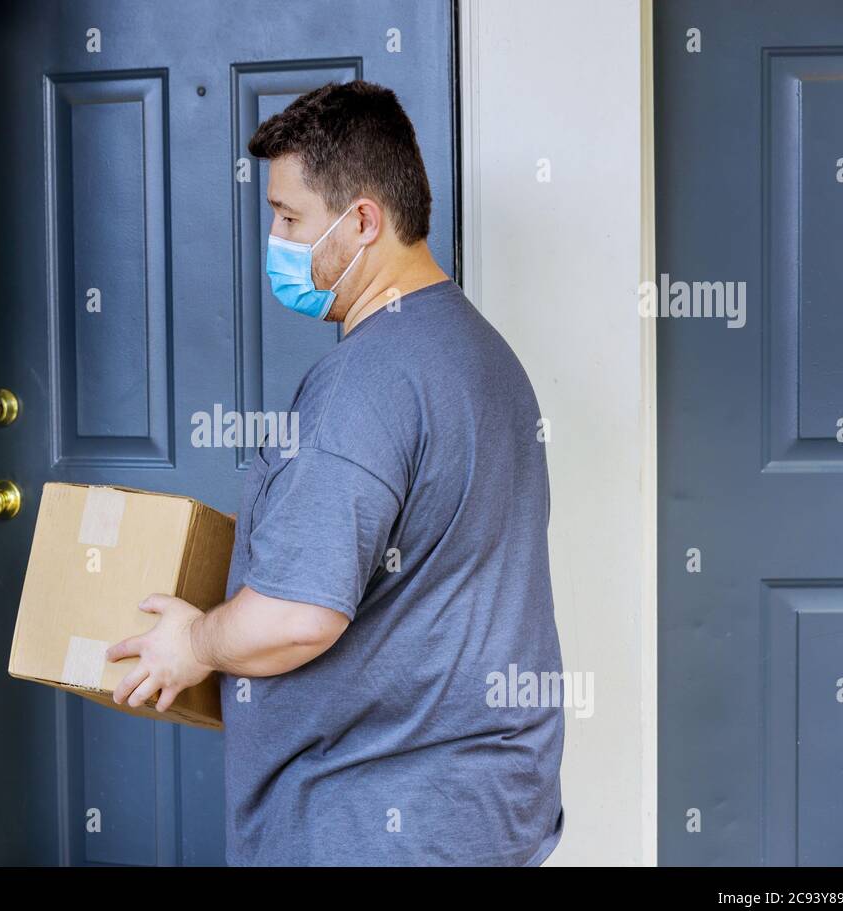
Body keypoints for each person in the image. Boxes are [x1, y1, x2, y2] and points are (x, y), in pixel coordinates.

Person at [106, 80, 565, 866]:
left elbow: (297, 616)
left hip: (378, 818)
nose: (275, 239)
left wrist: (197, 644)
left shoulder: (367, 380)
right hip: (484, 809)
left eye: (289, 218)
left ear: (361, 221)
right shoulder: (482, 353)